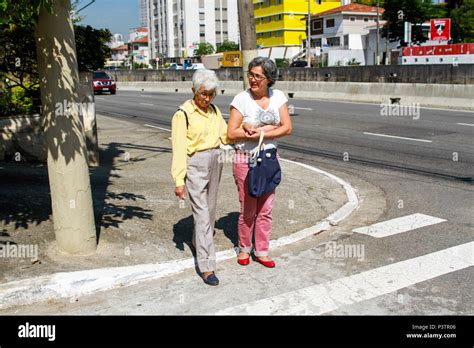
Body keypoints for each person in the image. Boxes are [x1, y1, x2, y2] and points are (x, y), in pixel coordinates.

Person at [227, 57, 292, 268]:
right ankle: (244, 248)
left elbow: (287, 128)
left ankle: (262, 250)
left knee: (265, 209)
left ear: (269, 79)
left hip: (269, 159)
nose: (252, 80)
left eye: (258, 76)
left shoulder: (278, 97)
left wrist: (259, 132)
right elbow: (232, 133)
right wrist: (264, 132)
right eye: (250, 74)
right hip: (245, 159)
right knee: (248, 208)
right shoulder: (241, 99)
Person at [171, 69, 229, 286]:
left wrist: (245, 130)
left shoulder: (214, 110)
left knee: (211, 209)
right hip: (194, 163)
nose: (206, 98)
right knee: (203, 214)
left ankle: (198, 241)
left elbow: (225, 135)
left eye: (211, 94)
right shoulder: (183, 114)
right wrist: (179, 179)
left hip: (216, 159)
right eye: (203, 93)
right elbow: (178, 149)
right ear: (194, 90)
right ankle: (207, 267)